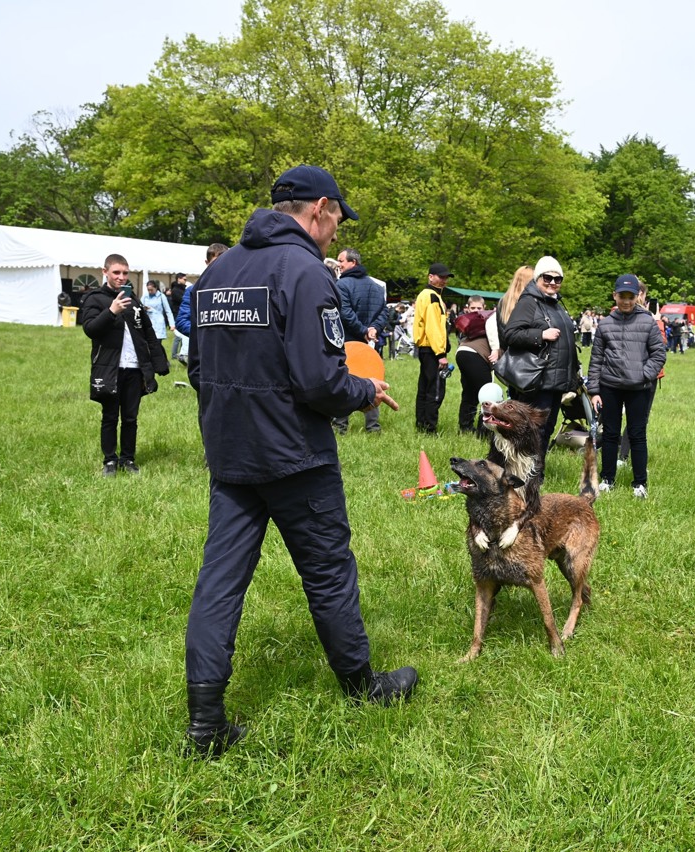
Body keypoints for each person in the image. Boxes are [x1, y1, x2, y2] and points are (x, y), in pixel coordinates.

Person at [183, 164, 415, 757]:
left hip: (231, 456)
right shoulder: (305, 272)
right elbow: (320, 381)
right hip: (295, 458)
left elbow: (198, 371)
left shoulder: (216, 273)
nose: (338, 231)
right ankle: (362, 685)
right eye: (338, 216)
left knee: (219, 582)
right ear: (319, 208)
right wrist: (367, 392)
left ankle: (204, 722)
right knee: (329, 570)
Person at [81, 254, 170, 476]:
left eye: (124, 273)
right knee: (110, 416)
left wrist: (159, 364)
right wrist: (111, 311)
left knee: (130, 417)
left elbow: (148, 334)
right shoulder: (95, 299)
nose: (121, 277)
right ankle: (110, 460)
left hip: (134, 369)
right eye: (116, 273)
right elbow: (90, 329)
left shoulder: (135, 303)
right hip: (109, 369)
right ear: (105, 272)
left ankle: (128, 459)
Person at [587, 275, 667, 498]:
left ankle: (640, 483)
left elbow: (659, 354)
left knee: (637, 434)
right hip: (610, 387)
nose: (626, 301)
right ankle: (607, 479)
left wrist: (644, 375)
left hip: (638, 389)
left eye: (630, 296)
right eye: (622, 296)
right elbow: (596, 360)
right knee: (611, 434)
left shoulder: (648, 322)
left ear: (637, 297)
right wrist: (594, 391)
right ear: (615, 295)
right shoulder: (605, 325)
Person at [501, 256, 580, 459]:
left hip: (556, 380)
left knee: (546, 428)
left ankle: (535, 472)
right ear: (537, 278)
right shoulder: (529, 302)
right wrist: (540, 335)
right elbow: (510, 334)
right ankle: (524, 473)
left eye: (557, 279)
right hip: (538, 379)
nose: (553, 282)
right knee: (534, 430)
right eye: (547, 277)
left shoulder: (555, 304)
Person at [334, 247, 389, 434]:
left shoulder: (341, 285)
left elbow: (345, 313)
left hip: (348, 343)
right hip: (370, 343)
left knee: (343, 381)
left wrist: (364, 330)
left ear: (353, 263)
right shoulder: (376, 286)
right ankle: (373, 426)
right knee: (373, 379)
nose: (338, 264)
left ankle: (340, 425)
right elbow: (384, 312)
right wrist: (373, 330)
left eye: (341, 260)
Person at [412, 262, 451, 433]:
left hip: (425, 349)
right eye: (441, 277)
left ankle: (421, 424)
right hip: (432, 350)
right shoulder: (432, 297)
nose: (444, 280)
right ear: (430, 277)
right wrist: (441, 353)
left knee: (424, 388)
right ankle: (429, 427)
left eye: (446, 277)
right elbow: (433, 326)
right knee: (435, 390)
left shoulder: (425, 294)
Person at [175, 244, 230, 365]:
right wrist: (204, 334)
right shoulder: (194, 290)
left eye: (225, 262)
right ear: (207, 262)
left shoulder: (236, 288)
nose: (220, 267)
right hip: (204, 354)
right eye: (215, 262)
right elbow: (182, 321)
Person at [454, 295, 496, 435]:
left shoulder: (478, 323)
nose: (476, 311)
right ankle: (484, 431)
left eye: (479, 308)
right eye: (473, 308)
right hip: (474, 355)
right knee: (488, 395)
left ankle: (465, 428)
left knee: (470, 393)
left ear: (484, 308)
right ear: (467, 308)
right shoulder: (488, 322)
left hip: (462, 353)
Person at [140, 280, 175, 354]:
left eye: (151, 290)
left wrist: (172, 324)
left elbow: (168, 311)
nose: (150, 291)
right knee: (151, 344)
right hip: (148, 322)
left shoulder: (162, 296)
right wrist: (144, 308)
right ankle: (163, 361)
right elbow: (139, 306)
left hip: (159, 323)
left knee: (157, 344)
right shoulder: (145, 296)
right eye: (148, 290)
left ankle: (163, 361)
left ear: (156, 288)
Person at [167, 273, 188, 360]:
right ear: (178, 279)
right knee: (178, 336)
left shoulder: (183, 290)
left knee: (183, 336)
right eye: (184, 279)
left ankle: (180, 353)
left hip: (182, 314)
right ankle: (175, 354)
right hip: (177, 315)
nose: (185, 281)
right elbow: (182, 300)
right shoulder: (175, 290)